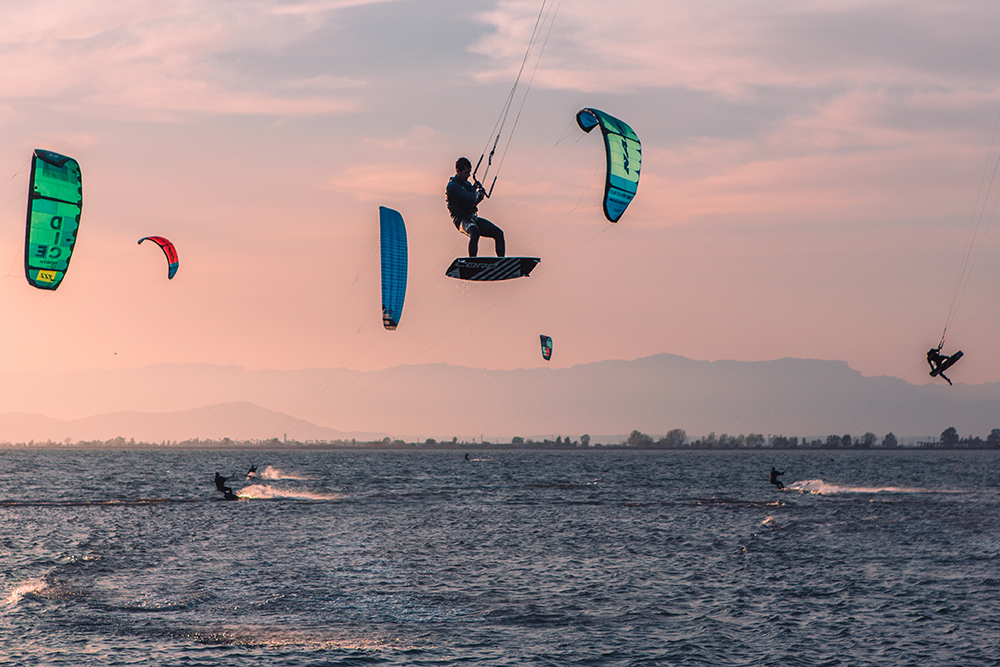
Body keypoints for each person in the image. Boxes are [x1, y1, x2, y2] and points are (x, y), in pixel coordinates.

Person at [446, 157, 505, 258]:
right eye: (466, 173)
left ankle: (502, 262)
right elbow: (469, 197)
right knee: (474, 231)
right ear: (458, 171)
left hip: (472, 218)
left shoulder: (467, 184)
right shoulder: (452, 185)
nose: (468, 176)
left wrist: (480, 197)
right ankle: (472, 261)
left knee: (499, 233)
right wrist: (474, 189)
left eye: (469, 173)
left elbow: (472, 202)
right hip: (461, 220)